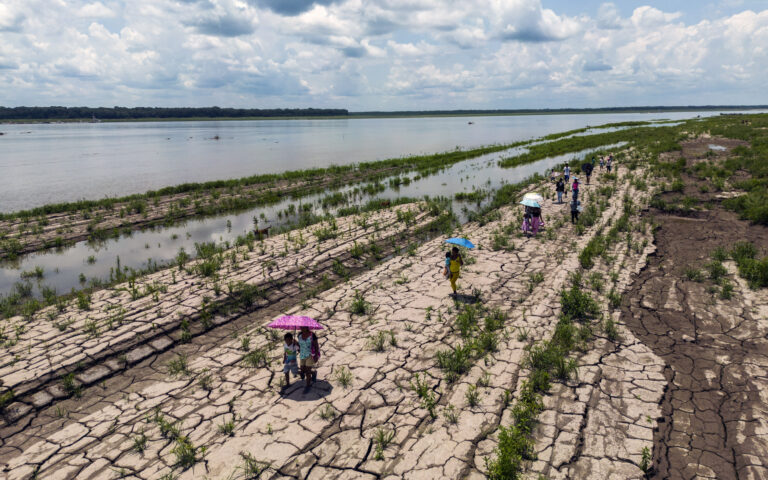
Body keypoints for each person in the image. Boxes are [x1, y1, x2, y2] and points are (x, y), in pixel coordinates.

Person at [297, 326, 320, 393]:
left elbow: (316, 346)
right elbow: (300, 347)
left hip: (310, 355)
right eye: (301, 327)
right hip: (302, 355)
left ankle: (308, 385)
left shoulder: (312, 335)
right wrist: (296, 344)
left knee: (307, 371)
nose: (302, 328)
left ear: (307, 327)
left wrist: (316, 355)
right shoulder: (299, 335)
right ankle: (313, 373)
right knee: (302, 370)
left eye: (304, 327)